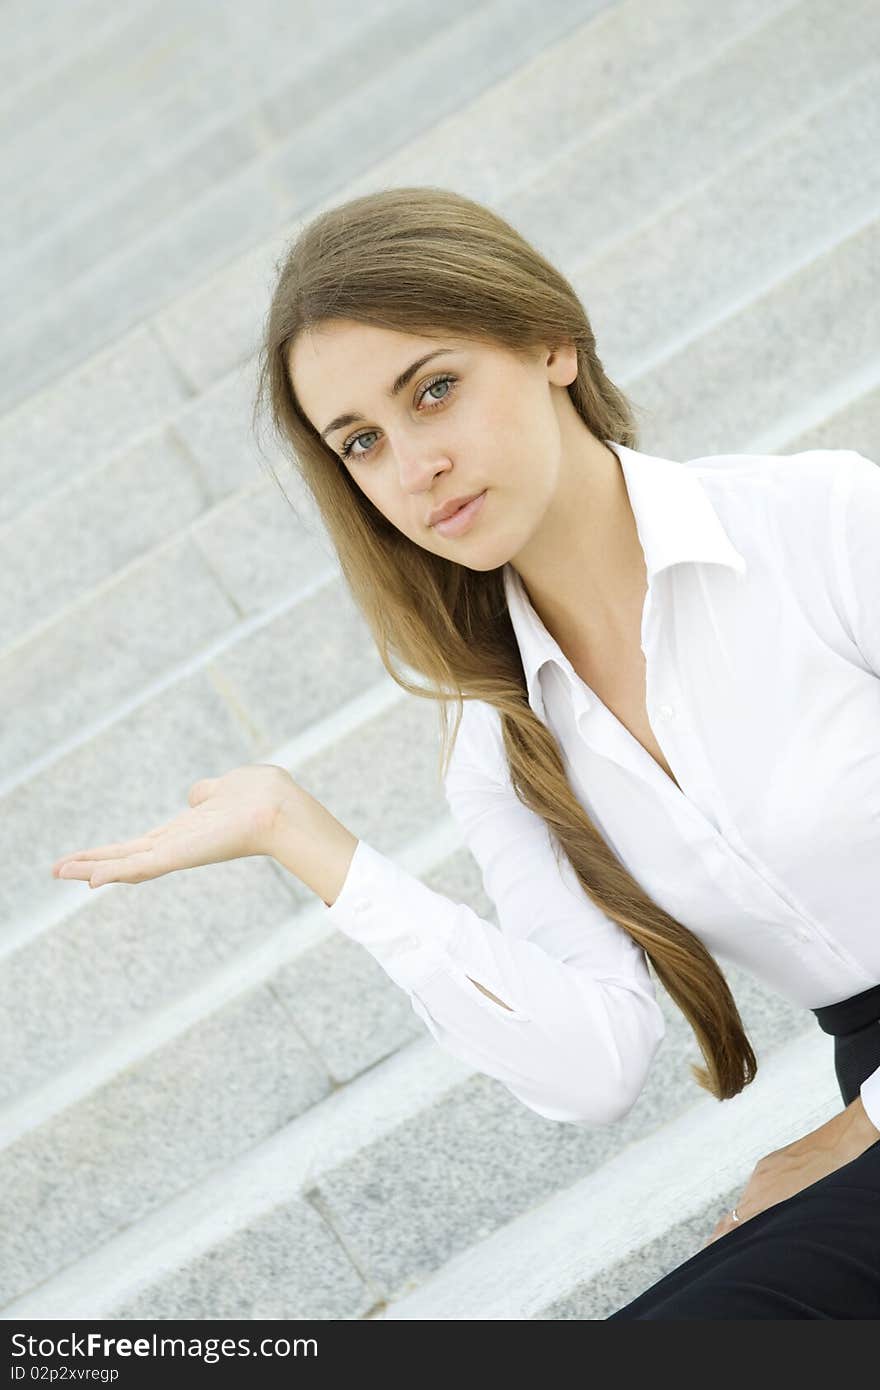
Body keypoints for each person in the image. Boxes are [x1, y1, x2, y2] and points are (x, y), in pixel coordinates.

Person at [51, 187, 880, 1318]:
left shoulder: (818, 524)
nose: (413, 466)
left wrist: (862, 1121)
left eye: (433, 389)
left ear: (550, 342)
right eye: (363, 443)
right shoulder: (502, 745)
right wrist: (319, 848)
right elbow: (594, 1068)